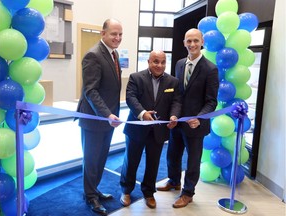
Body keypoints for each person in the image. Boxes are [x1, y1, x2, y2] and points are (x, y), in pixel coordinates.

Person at [156, 28, 219, 208]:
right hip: (177, 121)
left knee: (192, 161)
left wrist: (199, 118)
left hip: (195, 125)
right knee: (172, 155)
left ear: (202, 43)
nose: (192, 44)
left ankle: (188, 193)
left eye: (195, 41)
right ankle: (174, 181)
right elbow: (178, 94)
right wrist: (172, 114)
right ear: (184, 43)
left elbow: (211, 101)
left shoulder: (210, 69)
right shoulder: (179, 64)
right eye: (188, 41)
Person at [119, 50, 182, 209]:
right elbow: (130, 98)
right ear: (148, 62)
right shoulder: (136, 78)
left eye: (162, 62)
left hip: (158, 131)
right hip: (137, 129)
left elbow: (176, 102)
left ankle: (148, 192)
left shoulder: (173, 82)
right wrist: (142, 113)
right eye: (155, 61)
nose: (159, 65)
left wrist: (174, 116)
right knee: (131, 161)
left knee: (153, 163)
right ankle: (126, 190)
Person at [76, 18, 123, 216]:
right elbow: (90, 91)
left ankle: (94, 190)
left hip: (107, 119)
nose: (117, 38)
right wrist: (107, 114)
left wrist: (111, 115)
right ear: (103, 34)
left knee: (101, 158)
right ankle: (90, 197)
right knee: (92, 160)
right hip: (94, 119)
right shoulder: (93, 55)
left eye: (120, 34)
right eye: (113, 34)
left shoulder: (113, 54)